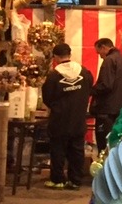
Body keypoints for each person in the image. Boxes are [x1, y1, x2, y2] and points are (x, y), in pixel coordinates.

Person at [41, 43, 93, 190]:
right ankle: (75, 181)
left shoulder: (53, 76)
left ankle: (58, 180)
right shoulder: (84, 72)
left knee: (58, 149)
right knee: (77, 150)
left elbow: (47, 97)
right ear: (70, 54)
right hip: (78, 118)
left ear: (56, 57)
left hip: (59, 119)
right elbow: (89, 89)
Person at [90, 37, 122, 155]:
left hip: (106, 108)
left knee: (103, 143)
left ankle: (103, 164)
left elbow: (106, 85)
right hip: (117, 107)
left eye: (99, 53)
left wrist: (90, 90)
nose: (100, 56)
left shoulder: (109, 60)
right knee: (113, 142)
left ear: (104, 47)